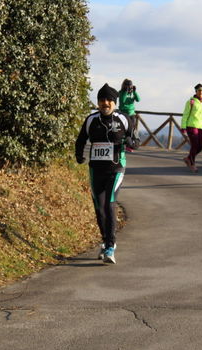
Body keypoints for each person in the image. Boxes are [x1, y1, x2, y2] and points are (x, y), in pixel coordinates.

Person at [75, 83, 139, 264]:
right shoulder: (91, 120)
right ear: (98, 102)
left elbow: (136, 142)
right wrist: (79, 156)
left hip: (116, 168)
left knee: (110, 203)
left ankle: (111, 246)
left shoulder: (124, 119)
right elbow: (80, 140)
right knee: (99, 208)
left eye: (109, 100)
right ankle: (105, 241)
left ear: (115, 103)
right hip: (96, 169)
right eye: (102, 100)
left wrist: (129, 141)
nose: (105, 103)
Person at [181, 83, 202, 172]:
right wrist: (183, 126)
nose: (201, 92)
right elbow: (185, 115)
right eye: (199, 91)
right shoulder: (191, 102)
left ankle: (188, 158)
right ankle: (192, 163)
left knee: (200, 146)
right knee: (194, 145)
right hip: (192, 125)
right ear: (196, 91)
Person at [118, 79, 141, 152]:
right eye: (127, 85)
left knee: (131, 130)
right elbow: (122, 100)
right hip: (123, 114)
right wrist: (125, 91)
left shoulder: (132, 93)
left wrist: (134, 91)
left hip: (131, 114)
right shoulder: (121, 92)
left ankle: (129, 145)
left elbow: (138, 100)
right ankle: (124, 144)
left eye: (130, 85)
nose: (129, 87)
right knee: (123, 129)